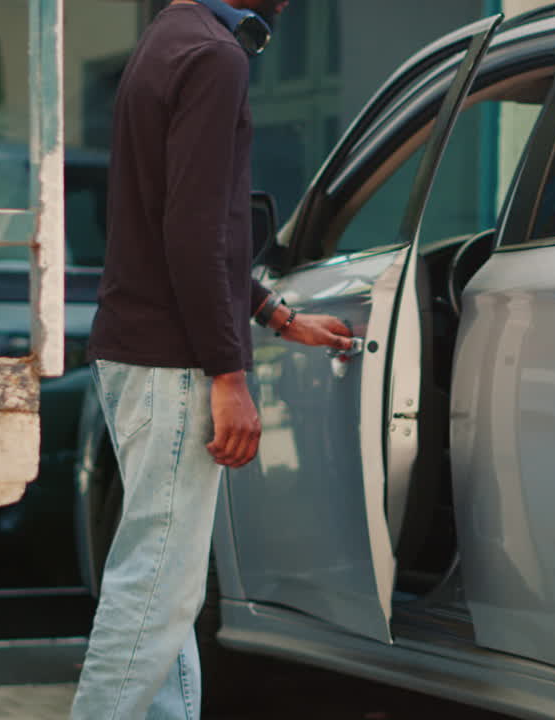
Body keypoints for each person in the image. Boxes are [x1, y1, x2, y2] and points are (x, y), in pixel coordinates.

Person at [71, 1, 352, 717]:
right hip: (174, 364)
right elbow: (197, 229)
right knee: (153, 593)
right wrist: (229, 374)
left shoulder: (167, 38)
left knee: (168, 591)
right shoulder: (215, 57)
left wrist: (276, 315)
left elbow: (184, 224)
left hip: (138, 352)